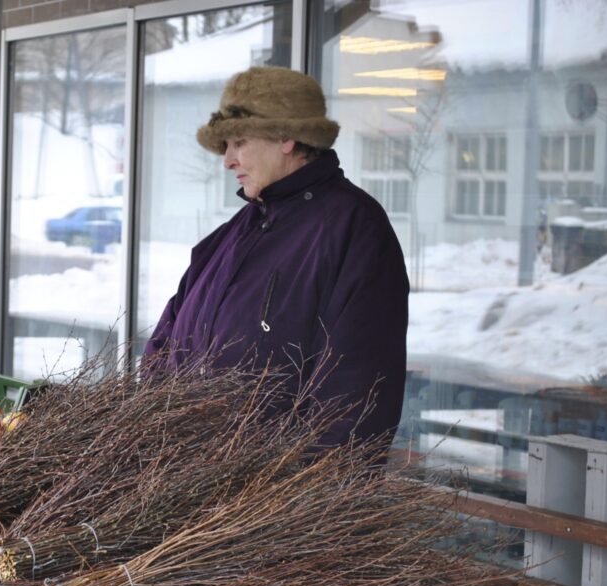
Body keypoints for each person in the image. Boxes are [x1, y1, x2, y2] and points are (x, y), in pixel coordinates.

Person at [144, 66, 409, 448]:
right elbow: (166, 342)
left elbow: (356, 388)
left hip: (270, 492)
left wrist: (303, 493)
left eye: (238, 142)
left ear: (286, 136)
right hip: (189, 483)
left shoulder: (352, 228)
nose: (228, 160)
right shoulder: (234, 233)